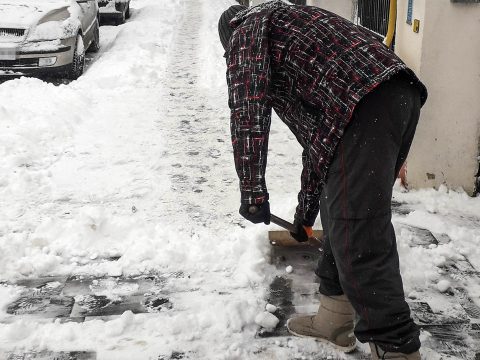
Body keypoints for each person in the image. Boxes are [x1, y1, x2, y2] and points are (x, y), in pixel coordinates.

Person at [218, 1, 427, 359]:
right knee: (342, 212)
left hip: (367, 102)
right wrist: (305, 214)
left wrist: (252, 191)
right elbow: (319, 143)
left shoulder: (246, 31)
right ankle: (335, 318)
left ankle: (395, 347)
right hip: (392, 95)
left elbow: (248, 111)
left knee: (357, 229)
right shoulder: (288, 31)